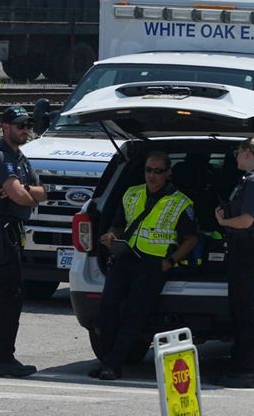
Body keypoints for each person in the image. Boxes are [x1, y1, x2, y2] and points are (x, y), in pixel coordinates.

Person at [91, 151, 198, 381]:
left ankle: (113, 365)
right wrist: (111, 236)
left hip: (153, 265)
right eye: (149, 170)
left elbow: (191, 239)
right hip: (125, 257)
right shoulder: (132, 194)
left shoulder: (180, 203)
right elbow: (118, 226)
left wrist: (169, 262)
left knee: (133, 314)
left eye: (158, 171)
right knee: (107, 308)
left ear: (169, 173)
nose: (152, 175)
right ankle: (107, 361)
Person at [0, 106, 47, 378]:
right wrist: (25, 193)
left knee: (3, 294)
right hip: (2, 229)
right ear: (5, 127)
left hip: (13, 230)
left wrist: (24, 191)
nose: (25, 129)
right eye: (19, 125)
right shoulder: (2, 158)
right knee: (11, 295)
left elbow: (42, 192)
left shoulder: (21, 158)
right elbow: (19, 197)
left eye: (28, 125)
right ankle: (2, 357)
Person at [215, 137, 254, 388]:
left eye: (238, 152)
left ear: (249, 154)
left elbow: (247, 221)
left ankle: (248, 371)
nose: (236, 156)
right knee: (239, 310)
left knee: (245, 313)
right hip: (244, 248)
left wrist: (223, 223)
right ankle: (239, 367)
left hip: (246, 247)